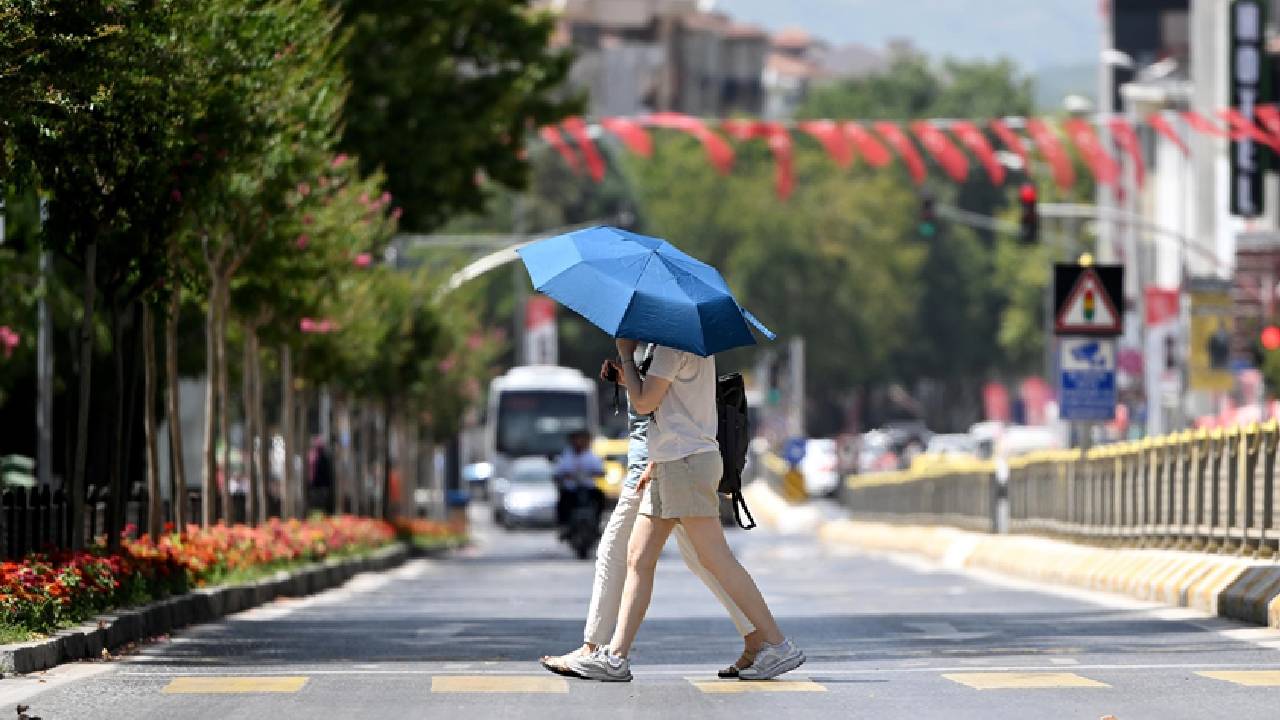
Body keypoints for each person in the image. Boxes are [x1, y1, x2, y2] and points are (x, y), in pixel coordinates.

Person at [566, 339, 803, 682]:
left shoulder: (670, 348)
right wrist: (627, 377)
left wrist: (626, 358)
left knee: (715, 558)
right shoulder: (688, 344)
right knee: (638, 557)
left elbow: (646, 403)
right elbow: (669, 400)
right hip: (668, 462)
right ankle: (615, 657)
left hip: (686, 461)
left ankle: (778, 645)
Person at [553, 429, 606, 537]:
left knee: (600, 496)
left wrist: (594, 473)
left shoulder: (591, 456)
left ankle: (597, 523)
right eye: (576, 439)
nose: (579, 442)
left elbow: (600, 470)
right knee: (563, 501)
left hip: (588, 488)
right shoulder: (565, 456)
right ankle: (564, 526)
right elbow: (558, 472)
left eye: (582, 439)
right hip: (571, 489)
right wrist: (565, 476)